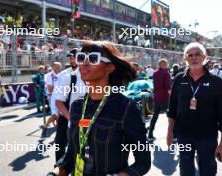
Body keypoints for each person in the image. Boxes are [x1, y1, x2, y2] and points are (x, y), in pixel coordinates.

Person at [49, 41, 151, 175]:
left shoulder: (126, 108)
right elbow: (70, 156)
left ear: (109, 68)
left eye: (93, 58)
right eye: (81, 58)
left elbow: (143, 163)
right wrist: (54, 173)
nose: (84, 63)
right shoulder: (77, 106)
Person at [167, 42, 222, 176]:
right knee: (185, 170)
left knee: (208, 171)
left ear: (205, 57)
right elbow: (172, 107)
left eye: (198, 54)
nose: (194, 57)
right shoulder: (179, 79)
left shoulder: (216, 82)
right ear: (185, 58)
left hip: (207, 136)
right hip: (183, 135)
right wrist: (170, 132)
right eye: (190, 55)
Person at [53, 48, 86, 162]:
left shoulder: (89, 74)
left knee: (81, 147)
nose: (72, 59)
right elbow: (56, 99)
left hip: (83, 118)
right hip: (66, 114)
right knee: (60, 143)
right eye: (70, 57)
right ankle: (60, 167)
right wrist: (56, 113)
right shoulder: (65, 75)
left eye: (74, 56)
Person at [148, 59, 171, 140]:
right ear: (163, 64)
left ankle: (150, 134)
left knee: (155, 116)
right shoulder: (166, 74)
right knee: (170, 116)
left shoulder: (155, 73)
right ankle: (173, 135)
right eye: (166, 64)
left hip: (157, 97)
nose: (167, 65)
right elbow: (167, 87)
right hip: (165, 97)